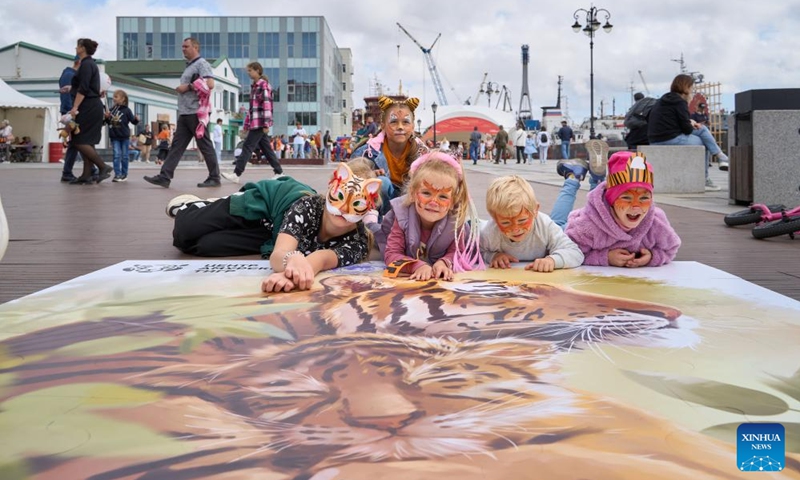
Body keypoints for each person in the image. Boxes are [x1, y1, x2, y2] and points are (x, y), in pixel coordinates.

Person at [166, 159, 381, 293]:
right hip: (266, 204)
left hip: (273, 232)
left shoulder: (359, 242)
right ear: (331, 187)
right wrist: (292, 259)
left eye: (356, 203)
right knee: (184, 231)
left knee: (205, 246)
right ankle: (194, 205)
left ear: (369, 205)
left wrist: (289, 276)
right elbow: (281, 254)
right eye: (341, 196)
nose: (343, 209)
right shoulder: (307, 205)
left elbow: (319, 260)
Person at [368, 151, 484, 281]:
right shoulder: (401, 216)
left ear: (452, 202)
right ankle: (371, 216)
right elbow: (392, 254)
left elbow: (458, 253)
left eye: (443, 196)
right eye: (426, 193)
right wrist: (416, 266)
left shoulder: (456, 222)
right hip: (383, 235)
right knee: (369, 232)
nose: (433, 202)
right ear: (412, 194)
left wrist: (444, 262)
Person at [554, 151, 681, 267]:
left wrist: (653, 257)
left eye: (643, 198)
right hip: (570, 227)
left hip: (603, 210)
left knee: (603, 202)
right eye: (626, 198)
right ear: (611, 201)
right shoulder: (586, 227)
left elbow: (670, 249)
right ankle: (573, 178)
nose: (636, 206)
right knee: (555, 224)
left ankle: (597, 179)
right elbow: (569, 252)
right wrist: (605, 258)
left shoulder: (656, 222)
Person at [144, 37, 220, 189]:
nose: (183, 49)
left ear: (196, 47)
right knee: (177, 146)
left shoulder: (201, 63)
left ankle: (214, 177)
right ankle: (164, 176)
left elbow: (210, 84)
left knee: (204, 145)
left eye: (186, 46)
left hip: (196, 112)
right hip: (186, 113)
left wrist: (188, 87)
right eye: (182, 46)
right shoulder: (190, 66)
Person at [480, 175, 583, 271]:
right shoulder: (489, 232)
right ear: (494, 219)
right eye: (506, 223)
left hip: (553, 229)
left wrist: (553, 260)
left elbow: (576, 253)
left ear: (536, 210)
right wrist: (493, 256)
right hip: (545, 232)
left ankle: (572, 178)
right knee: (558, 221)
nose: (515, 229)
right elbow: (476, 253)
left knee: (560, 223)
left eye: (522, 220)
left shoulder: (545, 225)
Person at [648, 74, 729, 191]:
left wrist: (690, 121)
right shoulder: (680, 102)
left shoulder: (664, 100)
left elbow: (675, 121)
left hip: (656, 138)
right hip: (668, 138)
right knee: (702, 140)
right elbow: (686, 129)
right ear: (686, 87)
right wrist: (690, 123)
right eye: (692, 87)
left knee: (702, 130)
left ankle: (719, 156)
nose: (693, 90)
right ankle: (707, 176)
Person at [352, 96, 428, 215]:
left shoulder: (423, 154)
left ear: (412, 127)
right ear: (383, 125)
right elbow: (350, 183)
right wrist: (369, 176)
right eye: (393, 122)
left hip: (410, 204)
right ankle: (377, 226)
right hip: (381, 207)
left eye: (406, 122)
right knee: (382, 183)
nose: (400, 127)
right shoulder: (367, 152)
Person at [222, 62, 283, 184]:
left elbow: (267, 105)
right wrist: (246, 125)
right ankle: (279, 172)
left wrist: (266, 124)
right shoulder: (255, 86)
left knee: (247, 147)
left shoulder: (263, 86)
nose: (248, 73)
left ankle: (236, 173)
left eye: (250, 71)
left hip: (260, 123)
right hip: (256, 122)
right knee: (266, 149)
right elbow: (251, 109)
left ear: (257, 70)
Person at [67, 38, 113, 185]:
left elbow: (84, 88)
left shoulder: (86, 65)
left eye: (77, 46)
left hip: (88, 106)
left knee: (78, 140)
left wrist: (75, 107)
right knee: (88, 141)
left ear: (82, 48)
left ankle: (103, 166)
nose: (75, 48)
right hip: (93, 105)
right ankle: (86, 174)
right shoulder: (90, 64)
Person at [105, 89, 139, 182]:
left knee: (124, 156)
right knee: (116, 155)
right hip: (114, 137)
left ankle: (124, 174)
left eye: (116, 96)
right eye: (113, 97)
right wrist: (107, 118)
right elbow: (108, 122)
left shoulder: (127, 110)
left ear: (123, 99)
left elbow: (133, 121)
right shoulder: (111, 110)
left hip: (124, 136)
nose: (114, 98)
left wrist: (136, 119)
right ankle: (117, 174)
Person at [58, 55, 83, 181]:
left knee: (76, 142)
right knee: (78, 141)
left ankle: (67, 172)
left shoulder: (69, 74)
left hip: (71, 111)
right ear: (79, 62)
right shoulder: (70, 75)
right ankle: (67, 172)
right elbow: (67, 96)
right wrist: (71, 113)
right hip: (72, 112)